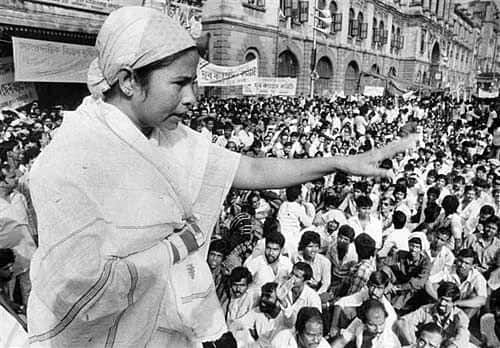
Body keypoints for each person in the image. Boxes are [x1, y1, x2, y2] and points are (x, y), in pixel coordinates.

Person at [26, 6, 418, 347]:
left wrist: (340, 162)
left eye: (192, 82)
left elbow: (249, 168)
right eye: (179, 83)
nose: (192, 97)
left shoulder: (171, 137)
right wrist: (175, 248)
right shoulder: (69, 160)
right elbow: (76, 290)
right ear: (129, 80)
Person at [396, 282, 470, 347]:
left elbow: (463, 336)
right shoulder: (426, 309)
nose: (442, 303)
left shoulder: (460, 316)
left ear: (454, 303)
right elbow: (402, 322)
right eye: (441, 299)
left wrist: (452, 346)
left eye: (447, 301)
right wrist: (413, 342)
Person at [332, 299, 401, 348]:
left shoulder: (389, 342)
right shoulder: (358, 322)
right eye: (372, 325)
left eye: (381, 324)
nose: (378, 329)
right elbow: (341, 342)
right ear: (363, 321)